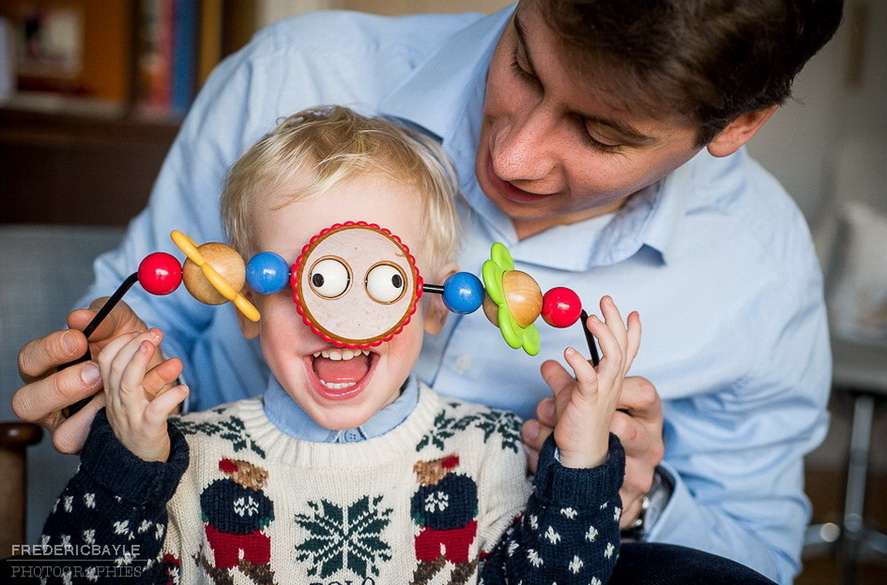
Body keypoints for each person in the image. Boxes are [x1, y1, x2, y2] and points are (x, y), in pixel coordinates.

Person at [13, 2, 843, 583]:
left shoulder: (759, 264)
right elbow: (75, 551)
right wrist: (110, 401)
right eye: (522, 63)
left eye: (600, 132)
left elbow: (749, 559)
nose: (512, 158)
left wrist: (612, 494)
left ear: (736, 126)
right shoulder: (289, 75)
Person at [38, 106, 639, 584]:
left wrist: (583, 459)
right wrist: (126, 469)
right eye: (312, 280)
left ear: (435, 304)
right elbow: (62, 571)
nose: (338, 324)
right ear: (247, 305)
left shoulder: (493, 455)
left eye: (384, 282)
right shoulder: (179, 461)